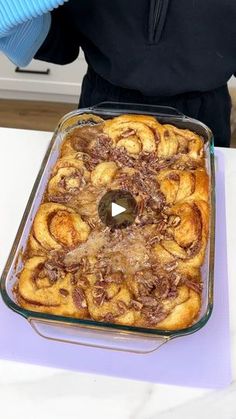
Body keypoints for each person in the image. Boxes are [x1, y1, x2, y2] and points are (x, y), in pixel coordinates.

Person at [1, 0, 235, 147]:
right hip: (101, 105)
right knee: (97, 213)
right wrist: (13, 17)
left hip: (205, 114)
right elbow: (62, 42)